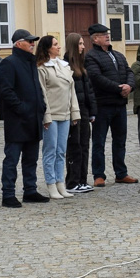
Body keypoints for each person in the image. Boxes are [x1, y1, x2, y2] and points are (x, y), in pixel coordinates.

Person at [0, 29, 49, 207]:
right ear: (18, 43)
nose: (32, 44)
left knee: (31, 159)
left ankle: (30, 190)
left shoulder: (31, 62)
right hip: (17, 120)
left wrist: (41, 107)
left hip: (33, 119)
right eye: (29, 41)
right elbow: (6, 91)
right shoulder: (9, 63)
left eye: (33, 41)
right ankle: (8, 194)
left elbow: (37, 89)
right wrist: (22, 108)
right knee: (12, 159)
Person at [85, 23, 138, 187]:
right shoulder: (91, 56)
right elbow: (96, 78)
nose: (107, 36)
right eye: (103, 34)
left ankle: (121, 173)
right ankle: (98, 175)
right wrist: (118, 88)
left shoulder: (119, 55)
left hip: (120, 105)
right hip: (103, 105)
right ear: (95, 38)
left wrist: (129, 86)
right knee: (99, 141)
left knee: (120, 140)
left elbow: (129, 72)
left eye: (107, 33)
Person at [36, 35, 80, 200]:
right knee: (50, 151)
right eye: (55, 44)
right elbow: (42, 94)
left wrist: (74, 112)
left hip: (65, 114)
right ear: (47, 48)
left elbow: (71, 90)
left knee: (61, 151)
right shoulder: (42, 68)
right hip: (52, 114)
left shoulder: (64, 66)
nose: (59, 46)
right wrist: (46, 116)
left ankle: (60, 183)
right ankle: (51, 183)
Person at [64, 33, 96, 194]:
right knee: (74, 147)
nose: (83, 47)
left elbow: (89, 90)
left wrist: (92, 111)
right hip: (73, 112)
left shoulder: (81, 65)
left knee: (84, 145)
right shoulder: (66, 65)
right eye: (81, 44)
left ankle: (82, 180)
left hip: (84, 110)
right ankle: (72, 181)